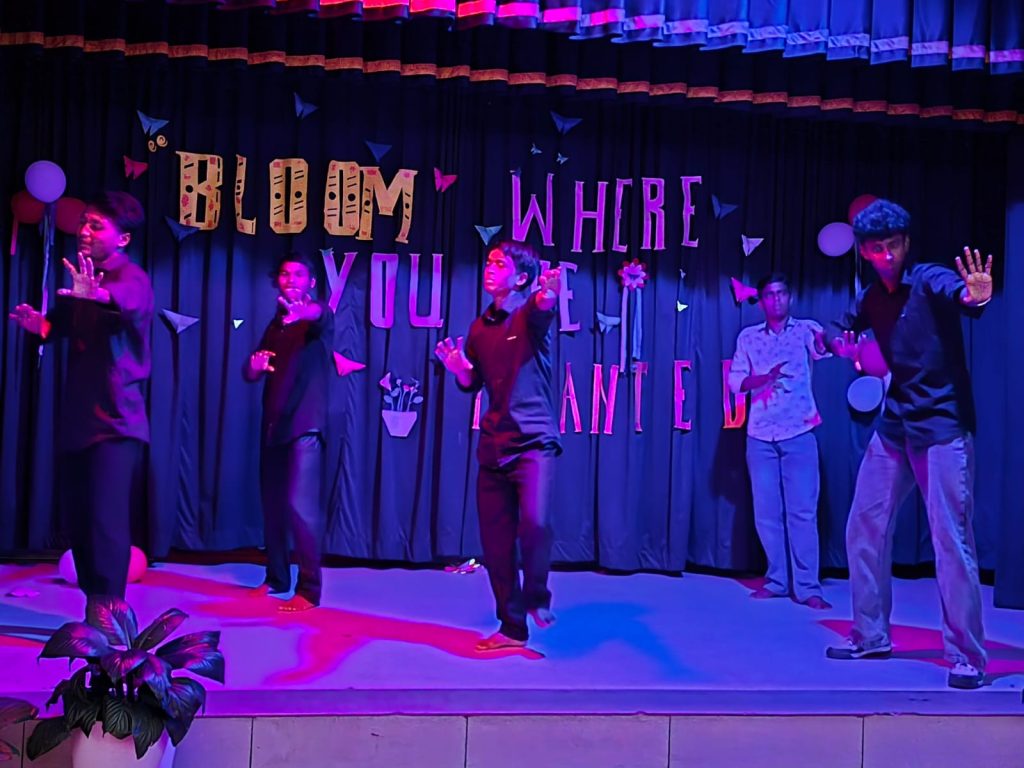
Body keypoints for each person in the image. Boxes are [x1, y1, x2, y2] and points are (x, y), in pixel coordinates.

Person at [821, 199, 994, 690]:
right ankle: (870, 635)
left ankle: (967, 656)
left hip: (943, 426)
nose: (886, 255)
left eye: (893, 245)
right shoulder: (871, 297)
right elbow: (841, 326)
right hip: (896, 424)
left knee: (950, 538)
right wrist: (836, 342)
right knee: (863, 525)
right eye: (876, 248)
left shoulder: (929, 279)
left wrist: (975, 296)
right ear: (863, 251)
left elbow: (962, 295)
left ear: (906, 243)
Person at [9, 191, 152, 608]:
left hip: (116, 422)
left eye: (96, 225)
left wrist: (97, 295)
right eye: (84, 222)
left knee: (105, 522)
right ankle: (96, 608)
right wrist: (40, 326)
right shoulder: (85, 281)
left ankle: (110, 614)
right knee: (79, 521)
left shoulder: (130, 277)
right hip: (80, 420)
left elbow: (123, 303)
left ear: (123, 238)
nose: (84, 231)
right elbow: (59, 327)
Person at [434, 241, 562, 651]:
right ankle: (512, 629)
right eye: (488, 261)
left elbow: (543, 306)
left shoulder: (527, 314)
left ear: (521, 278)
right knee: (496, 544)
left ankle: (537, 596)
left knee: (535, 523)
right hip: (494, 446)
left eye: (499, 263)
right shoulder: (479, 327)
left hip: (534, 440)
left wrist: (549, 293)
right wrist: (460, 368)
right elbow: (472, 382)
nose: (489, 267)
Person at [728, 273, 832, 609]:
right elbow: (735, 383)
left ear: (790, 297)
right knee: (767, 513)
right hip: (760, 435)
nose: (776, 299)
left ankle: (808, 587)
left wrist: (828, 343)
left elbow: (822, 350)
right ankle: (777, 580)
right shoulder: (748, 338)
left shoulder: (806, 330)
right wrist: (764, 378)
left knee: (802, 512)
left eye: (782, 293)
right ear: (761, 300)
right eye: (770, 294)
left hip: (799, 431)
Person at [244, 252, 332, 612]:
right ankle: (276, 577)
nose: (290, 280)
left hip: (306, 424)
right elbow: (252, 371)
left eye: (298, 274)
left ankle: (309, 589)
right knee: (274, 506)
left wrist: (303, 312)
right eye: (284, 274)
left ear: (311, 282)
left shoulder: (316, 315)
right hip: (275, 425)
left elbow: (317, 314)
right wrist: (253, 368)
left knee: (300, 505)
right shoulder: (275, 324)